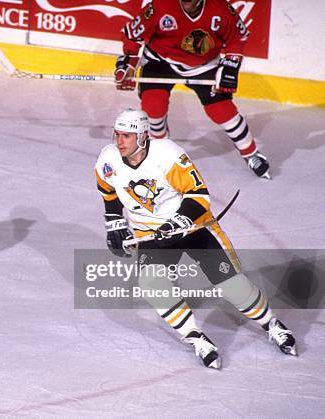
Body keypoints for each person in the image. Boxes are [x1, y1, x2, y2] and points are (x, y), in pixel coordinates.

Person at [94, 108, 295, 368]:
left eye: (127, 136)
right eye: (117, 135)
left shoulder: (168, 155)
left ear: (143, 136)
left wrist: (179, 220)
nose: (119, 141)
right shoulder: (108, 160)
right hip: (150, 235)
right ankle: (196, 337)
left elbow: (198, 195)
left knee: (232, 286)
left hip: (195, 228)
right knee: (153, 286)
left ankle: (271, 323)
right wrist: (114, 225)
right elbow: (109, 193)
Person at [114, 0, 271, 179]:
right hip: (161, 61)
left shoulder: (220, 9)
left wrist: (229, 66)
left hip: (204, 64)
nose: (186, 3)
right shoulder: (161, 5)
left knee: (221, 111)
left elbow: (238, 37)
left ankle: (251, 154)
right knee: (153, 107)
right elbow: (132, 34)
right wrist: (129, 64)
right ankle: (161, 149)